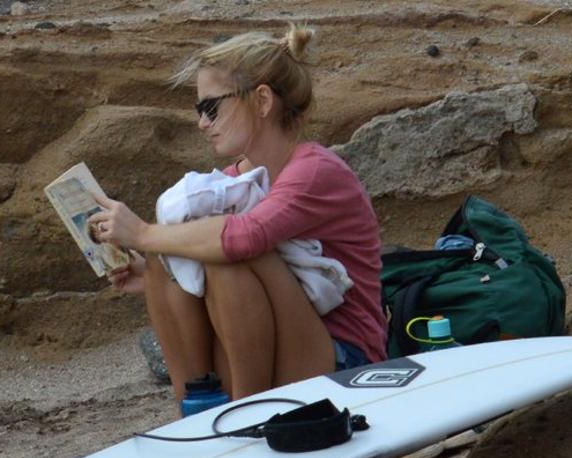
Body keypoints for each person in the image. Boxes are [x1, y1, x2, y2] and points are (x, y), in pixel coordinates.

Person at [88, 24, 387, 400]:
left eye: (211, 108)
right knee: (174, 255)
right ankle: (195, 408)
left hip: (346, 363)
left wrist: (143, 234)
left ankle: (244, 413)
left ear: (262, 101)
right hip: (284, 349)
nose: (202, 123)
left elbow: (243, 238)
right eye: (200, 110)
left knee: (223, 249)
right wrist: (153, 273)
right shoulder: (237, 181)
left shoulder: (314, 170)